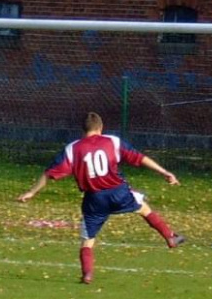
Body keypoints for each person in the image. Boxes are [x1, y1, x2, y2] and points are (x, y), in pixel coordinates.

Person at [17, 112, 185, 284]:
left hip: (94, 198)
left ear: (83, 130)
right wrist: (164, 172)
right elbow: (140, 158)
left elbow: (49, 173)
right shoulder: (112, 141)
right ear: (101, 128)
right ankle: (170, 236)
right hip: (118, 192)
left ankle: (87, 274)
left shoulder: (73, 149)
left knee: (87, 241)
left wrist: (32, 192)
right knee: (143, 208)